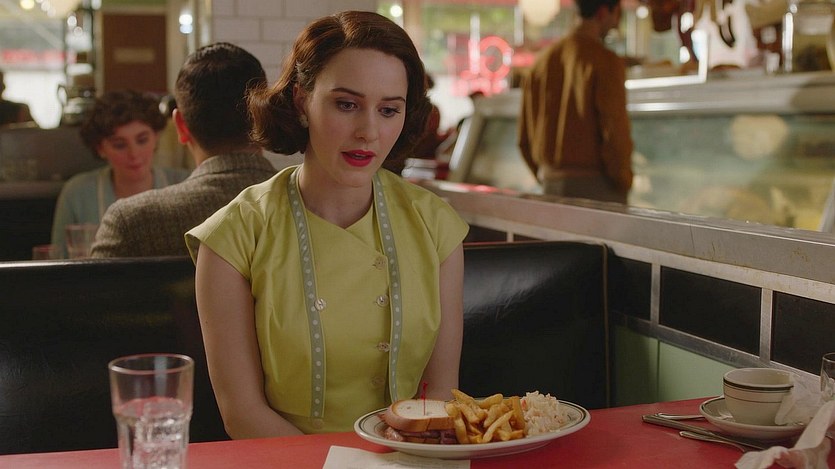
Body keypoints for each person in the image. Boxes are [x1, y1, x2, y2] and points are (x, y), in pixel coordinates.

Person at [185, 11, 469, 438]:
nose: (368, 131)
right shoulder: (234, 236)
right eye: (346, 104)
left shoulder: (436, 226)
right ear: (301, 101)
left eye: (388, 110)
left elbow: (441, 395)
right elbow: (242, 414)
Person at [91, 43, 276, 258]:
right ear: (266, 118)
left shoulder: (131, 222)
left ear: (180, 125)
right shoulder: (305, 204)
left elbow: (88, 281)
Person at [518, 0, 634, 204]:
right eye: (617, 15)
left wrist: (545, 175)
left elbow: (523, 140)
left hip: (549, 186)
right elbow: (615, 134)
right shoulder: (606, 62)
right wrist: (624, 179)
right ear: (603, 13)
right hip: (596, 191)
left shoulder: (540, 63)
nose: (616, 24)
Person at [51, 89, 190, 257]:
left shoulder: (185, 184)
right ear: (100, 148)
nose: (134, 154)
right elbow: (59, 260)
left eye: (142, 140)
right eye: (119, 145)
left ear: (156, 137)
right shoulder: (77, 193)